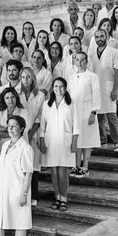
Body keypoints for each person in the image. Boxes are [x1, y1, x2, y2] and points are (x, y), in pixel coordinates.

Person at [40, 78, 78, 212]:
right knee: (54, 172)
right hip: (51, 142)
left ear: (65, 88)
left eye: (61, 86)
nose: (58, 89)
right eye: (56, 86)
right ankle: (57, 196)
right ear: (52, 88)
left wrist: (74, 143)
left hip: (65, 141)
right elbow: (42, 125)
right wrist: (41, 141)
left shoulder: (71, 104)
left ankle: (64, 198)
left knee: (63, 172)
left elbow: (76, 125)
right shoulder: (46, 104)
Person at [89, 29, 118, 152]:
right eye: (97, 37)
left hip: (109, 88)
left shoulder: (114, 52)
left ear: (107, 37)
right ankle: (102, 139)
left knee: (111, 115)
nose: (99, 39)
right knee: (98, 116)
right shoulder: (91, 55)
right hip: (96, 89)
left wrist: (115, 89)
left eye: (101, 36)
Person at [68, 52, 100, 178]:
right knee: (77, 139)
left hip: (87, 112)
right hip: (75, 112)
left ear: (86, 61)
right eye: (77, 60)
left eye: (82, 60)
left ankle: (85, 166)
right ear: (74, 61)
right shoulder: (71, 78)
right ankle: (76, 166)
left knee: (87, 140)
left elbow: (96, 94)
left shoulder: (92, 76)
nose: (80, 62)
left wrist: (94, 112)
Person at [19, 67, 45, 206]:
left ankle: (34, 195)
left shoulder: (40, 95)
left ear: (33, 78)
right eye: (23, 77)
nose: (26, 80)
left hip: (33, 133)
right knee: (21, 165)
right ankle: (23, 194)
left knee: (33, 165)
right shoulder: (17, 94)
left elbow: (40, 116)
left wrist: (30, 133)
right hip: (19, 134)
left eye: (29, 77)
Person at [0, 87, 30, 155]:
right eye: (7, 98)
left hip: (20, 147)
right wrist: (14, 131)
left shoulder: (24, 112)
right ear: (4, 100)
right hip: (3, 148)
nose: (10, 100)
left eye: (12, 97)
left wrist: (3, 129)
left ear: (16, 98)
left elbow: (24, 130)